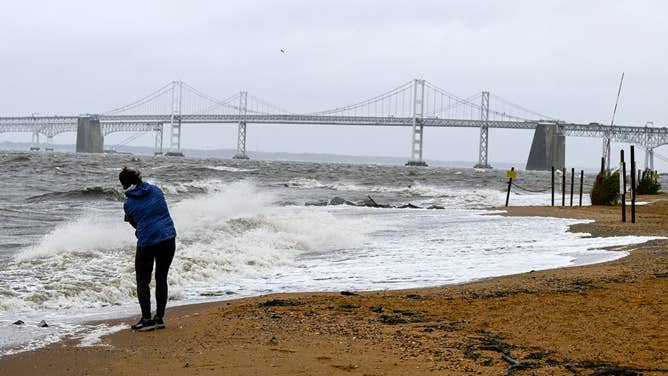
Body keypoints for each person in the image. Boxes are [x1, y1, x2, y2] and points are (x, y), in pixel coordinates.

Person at [119, 167, 177, 332]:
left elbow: (134, 223)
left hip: (148, 242)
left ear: (124, 184)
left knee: (142, 281)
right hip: (168, 238)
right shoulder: (156, 190)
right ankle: (159, 318)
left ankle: (146, 320)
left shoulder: (129, 204)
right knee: (161, 278)